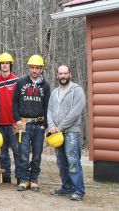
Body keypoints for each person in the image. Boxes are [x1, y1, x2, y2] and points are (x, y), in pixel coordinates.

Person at [47, 65, 86, 201]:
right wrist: (51, 126)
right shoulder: (55, 92)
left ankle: (78, 191)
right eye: (60, 74)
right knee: (61, 162)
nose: (62, 76)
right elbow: (50, 111)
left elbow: (75, 113)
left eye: (65, 73)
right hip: (57, 133)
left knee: (73, 161)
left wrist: (61, 126)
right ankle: (66, 188)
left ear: (70, 74)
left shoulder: (77, 91)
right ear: (57, 75)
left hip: (71, 132)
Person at [12, 55, 51, 192]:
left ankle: (34, 180)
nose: (34, 70)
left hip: (39, 124)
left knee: (37, 154)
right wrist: (17, 119)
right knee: (23, 153)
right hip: (23, 124)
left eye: (37, 68)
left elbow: (47, 106)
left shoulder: (45, 86)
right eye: (32, 67)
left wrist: (45, 124)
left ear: (41, 69)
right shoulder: (21, 82)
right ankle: (23, 180)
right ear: (29, 68)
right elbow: (15, 102)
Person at [0, 52, 20, 184]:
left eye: (7, 63)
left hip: (14, 123)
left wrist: (19, 120)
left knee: (17, 151)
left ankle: (20, 176)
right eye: (2, 63)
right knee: (3, 153)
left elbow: (21, 102)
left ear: (10, 65)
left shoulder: (17, 80)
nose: (4, 65)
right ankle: (6, 177)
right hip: (0, 123)